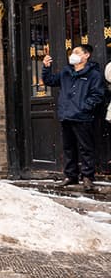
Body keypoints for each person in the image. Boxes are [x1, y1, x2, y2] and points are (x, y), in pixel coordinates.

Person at [42, 45, 104, 191]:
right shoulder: (66, 72)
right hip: (66, 116)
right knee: (68, 148)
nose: (72, 55)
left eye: (77, 52)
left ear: (86, 55)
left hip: (82, 117)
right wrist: (46, 67)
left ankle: (87, 177)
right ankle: (71, 176)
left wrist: (84, 107)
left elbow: (97, 95)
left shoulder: (93, 75)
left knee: (86, 148)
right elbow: (50, 81)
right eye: (72, 52)